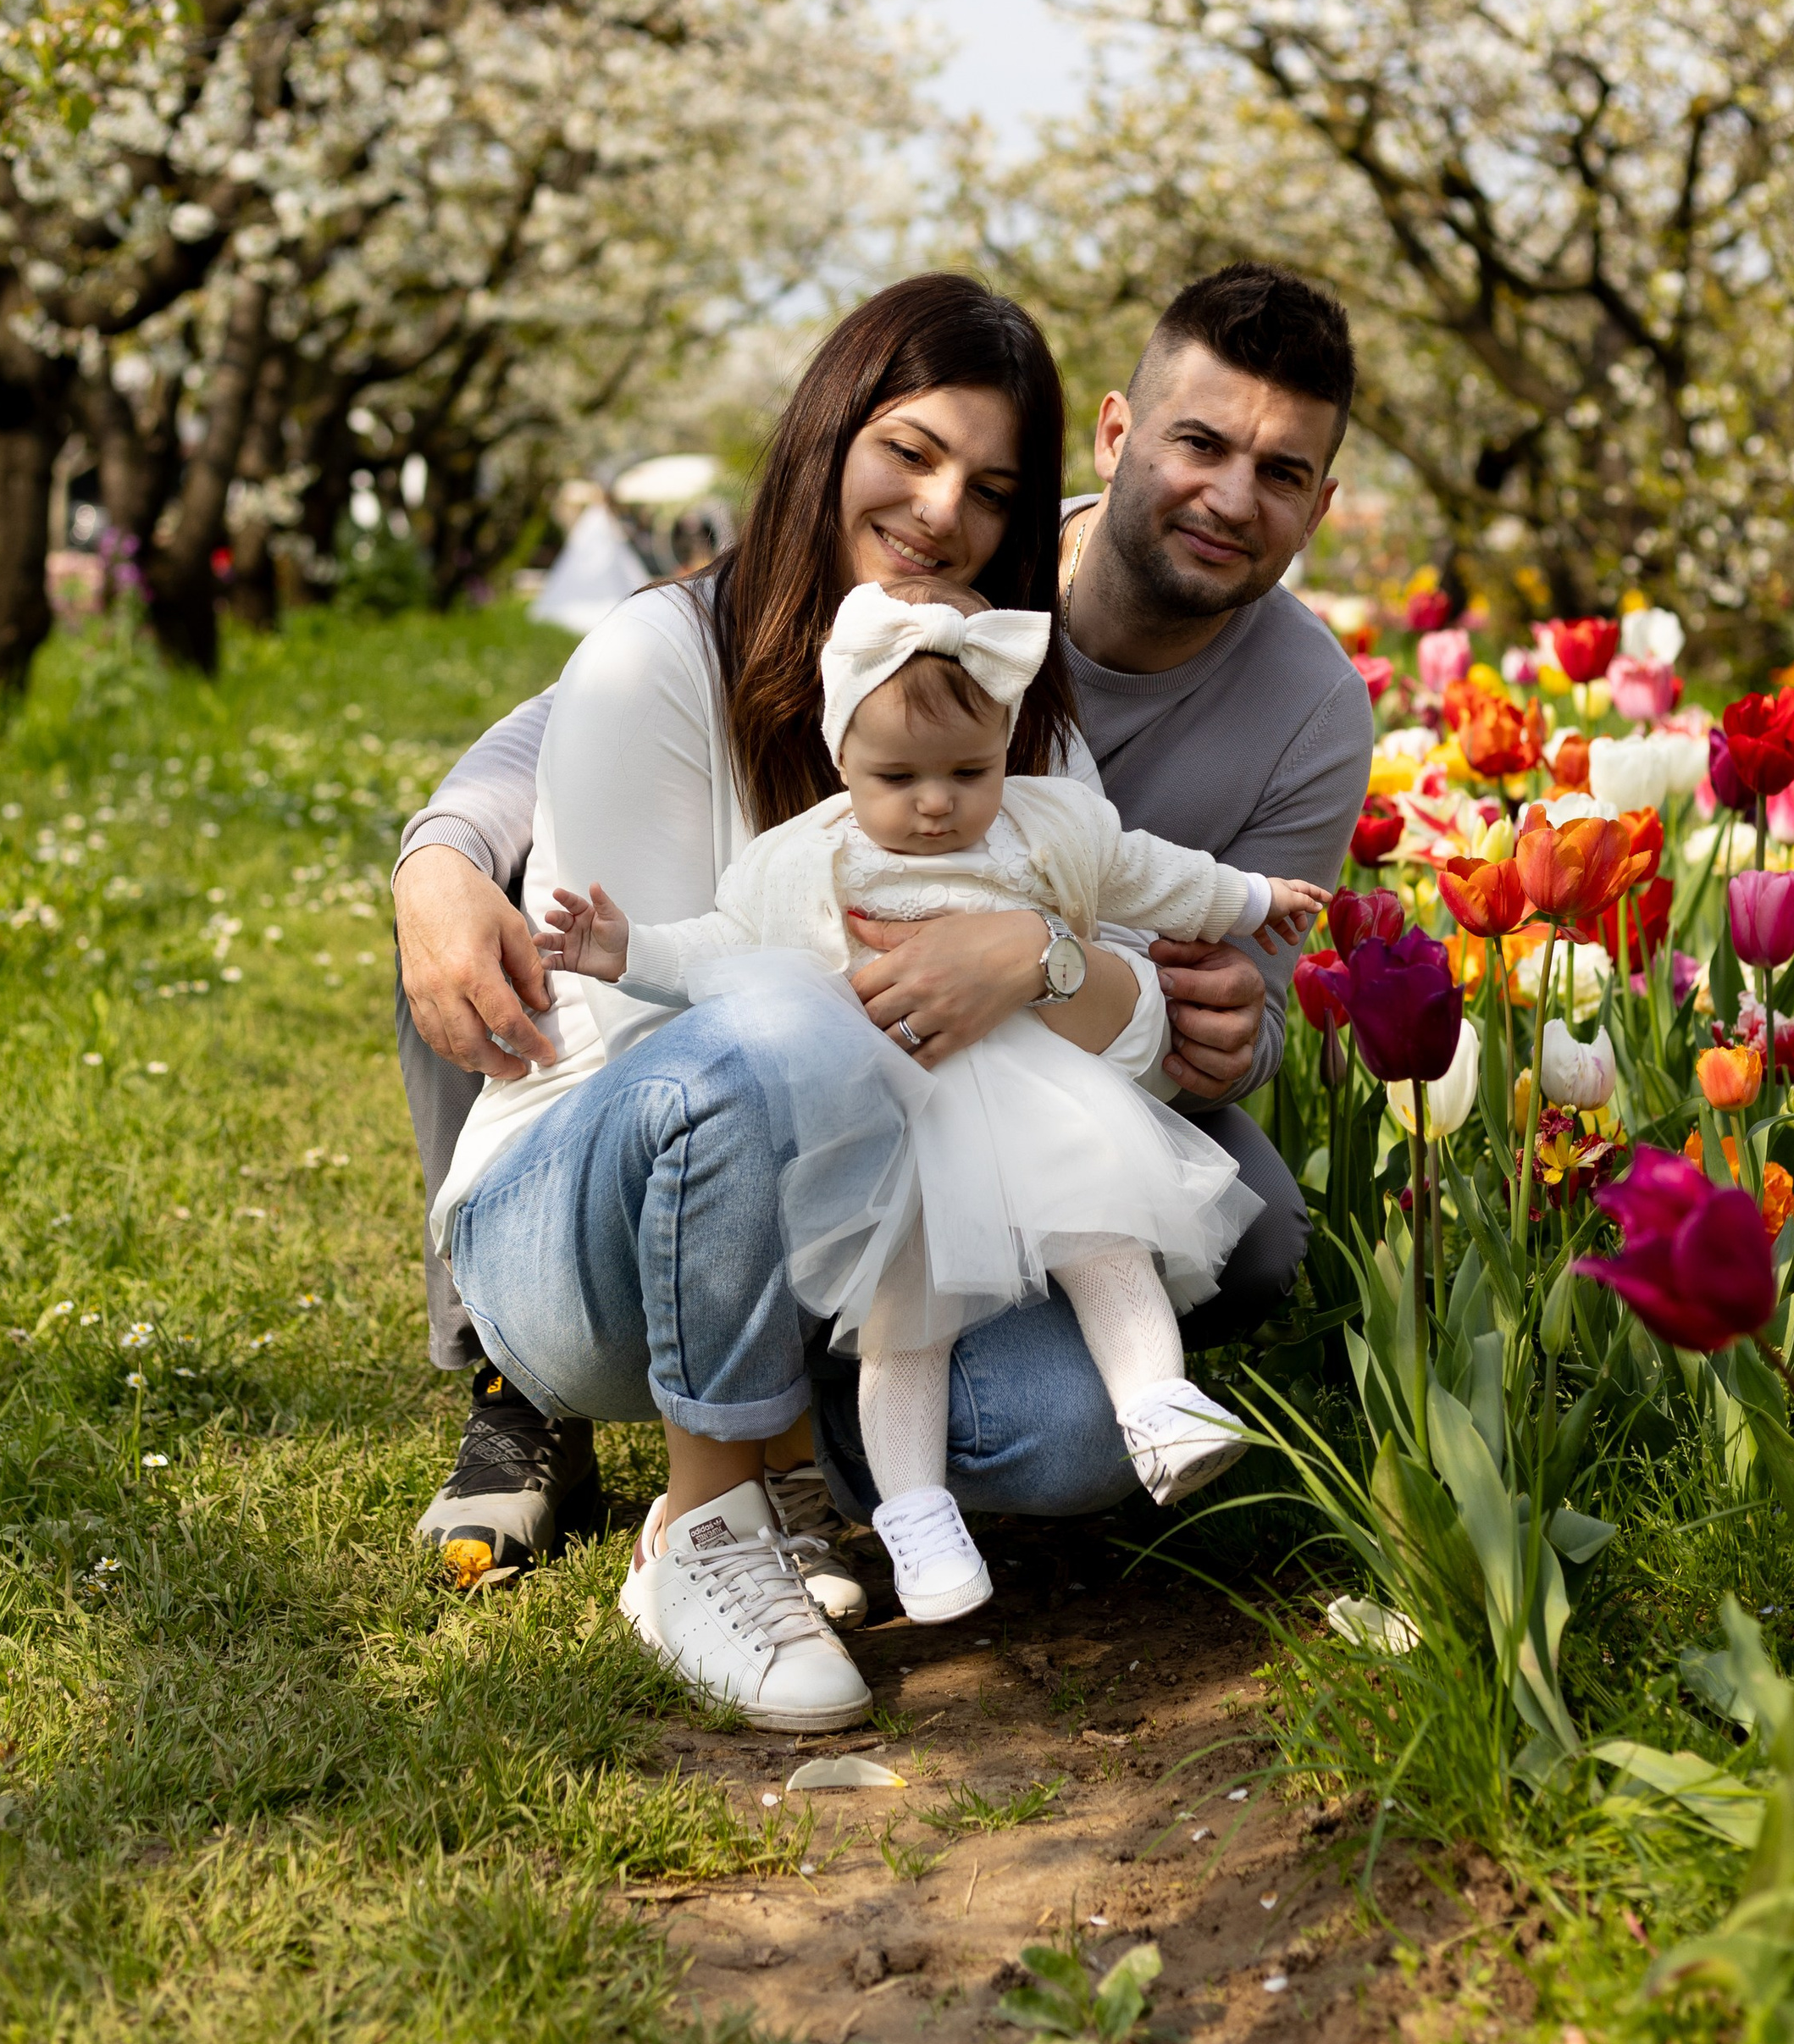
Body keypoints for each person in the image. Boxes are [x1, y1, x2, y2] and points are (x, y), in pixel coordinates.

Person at [394, 260, 1376, 1605]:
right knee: (770, 1013)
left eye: (988, 494)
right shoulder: (661, 654)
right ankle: (724, 1493)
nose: (939, 512)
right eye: (909, 455)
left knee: (1080, 1422)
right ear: (1119, 438)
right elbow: (668, 1056)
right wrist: (441, 845)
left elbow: (1177, 1007)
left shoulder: (1022, 714)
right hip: (621, 1226)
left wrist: (1037, 961)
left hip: (906, 1185)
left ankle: (872, 1463)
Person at [537, 573, 1330, 1625]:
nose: (934, 803)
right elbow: (723, 953)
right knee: (902, 1322)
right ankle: (915, 1526)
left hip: (1036, 1097)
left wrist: (1255, 897)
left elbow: (1150, 876)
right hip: (893, 1126)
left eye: (969, 770)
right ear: (842, 761)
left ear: (1008, 747)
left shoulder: (1046, 827)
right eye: (897, 775)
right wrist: (627, 950)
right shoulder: (812, 858)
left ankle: (1156, 1406)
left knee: (1103, 1237)